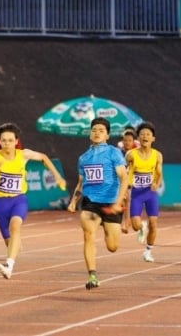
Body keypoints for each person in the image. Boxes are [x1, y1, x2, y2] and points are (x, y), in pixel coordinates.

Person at [0, 123, 65, 280]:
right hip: (0, 203)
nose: (7, 144)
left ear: (16, 141)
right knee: (9, 240)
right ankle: (10, 264)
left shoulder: (23, 154)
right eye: (4, 140)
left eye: (10, 140)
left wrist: (57, 176)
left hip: (18, 200)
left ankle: (8, 264)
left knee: (15, 226)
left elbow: (44, 157)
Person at [67, 117, 128, 290]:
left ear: (107, 135)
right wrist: (74, 201)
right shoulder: (83, 158)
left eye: (101, 130)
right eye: (94, 130)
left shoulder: (114, 153)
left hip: (111, 204)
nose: (97, 133)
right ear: (89, 134)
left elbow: (124, 178)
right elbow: (81, 182)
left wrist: (118, 202)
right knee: (88, 236)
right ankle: (92, 275)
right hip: (90, 203)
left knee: (112, 246)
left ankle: (107, 228)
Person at [124, 121, 163, 263]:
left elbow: (159, 175)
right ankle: (142, 227)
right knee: (135, 225)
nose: (145, 136)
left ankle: (148, 251)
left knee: (154, 223)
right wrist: (124, 188)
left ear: (153, 138)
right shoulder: (130, 154)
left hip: (150, 193)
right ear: (138, 139)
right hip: (136, 193)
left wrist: (156, 183)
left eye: (148, 134)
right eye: (142, 134)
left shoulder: (157, 155)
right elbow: (123, 172)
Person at [119, 128, 139, 234]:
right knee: (122, 202)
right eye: (125, 140)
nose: (127, 142)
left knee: (127, 200)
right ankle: (126, 221)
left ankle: (126, 222)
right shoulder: (118, 153)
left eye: (129, 140)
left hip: (132, 181)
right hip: (119, 181)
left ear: (133, 142)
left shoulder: (136, 154)